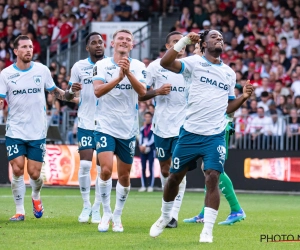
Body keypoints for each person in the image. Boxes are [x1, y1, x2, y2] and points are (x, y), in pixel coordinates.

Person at [149, 30, 254, 243]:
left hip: (214, 135)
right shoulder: (194, 63)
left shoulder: (228, 73)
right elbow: (166, 63)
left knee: (212, 177)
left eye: (222, 38)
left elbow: (228, 106)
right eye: (214, 37)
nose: (219, 40)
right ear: (204, 44)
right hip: (189, 133)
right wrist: (186, 41)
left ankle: (207, 230)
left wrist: (243, 98)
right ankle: (165, 215)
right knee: (173, 178)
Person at [0, 35, 81, 221]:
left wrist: (72, 96)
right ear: (16, 51)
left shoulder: (42, 70)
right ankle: (20, 210)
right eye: (24, 47)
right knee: (18, 169)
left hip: (37, 131)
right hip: (15, 130)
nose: (29, 50)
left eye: (30, 47)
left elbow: (55, 92)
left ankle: (36, 196)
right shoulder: (5, 74)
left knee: (35, 173)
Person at [183, 43, 246, 225]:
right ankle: (205, 212)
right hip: (202, 125)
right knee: (207, 169)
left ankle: (236, 209)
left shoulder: (220, 71)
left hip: (219, 126)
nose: (193, 52)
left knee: (213, 169)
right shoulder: (195, 69)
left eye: (195, 48)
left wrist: (228, 121)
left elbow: (229, 101)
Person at [92, 29, 146, 232]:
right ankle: (105, 213)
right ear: (112, 43)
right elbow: (97, 91)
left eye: (128, 40)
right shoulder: (102, 65)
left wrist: (129, 72)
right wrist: (118, 77)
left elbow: (142, 92)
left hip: (127, 128)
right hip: (105, 125)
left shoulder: (139, 66)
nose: (124, 42)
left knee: (124, 176)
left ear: (132, 45)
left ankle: (117, 215)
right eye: (120, 39)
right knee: (105, 169)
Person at [139, 31, 188, 228]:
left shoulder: (190, 67)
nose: (180, 45)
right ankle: (167, 209)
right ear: (168, 46)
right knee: (166, 169)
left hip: (184, 127)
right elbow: (141, 94)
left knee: (179, 170)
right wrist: (157, 91)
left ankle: (172, 215)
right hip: (161, 127)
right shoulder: (155, 66)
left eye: (182, 43)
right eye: (176, 42)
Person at [68, 32, 105, 224]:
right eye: (94, 42)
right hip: (85, 122)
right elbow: (68, 94)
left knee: (101, 169)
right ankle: (85, 205)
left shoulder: (110, 66)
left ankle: (97, 208)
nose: (98, 45)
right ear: (87, 47)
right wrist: (71, 90)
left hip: (106, 124)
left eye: (100, 42)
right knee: (84, 165)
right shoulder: (78, 67)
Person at [138, 112, 155, 192]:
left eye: (149, 117)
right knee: (143, 168)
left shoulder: (153, 128)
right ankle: (143, 185)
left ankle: (150, 186)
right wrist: (141, 145)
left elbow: (153, 139)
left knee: (151, 167)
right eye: (146, 117)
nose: (147, 118)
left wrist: (145, 145)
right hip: (143, 150)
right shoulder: (142, 129)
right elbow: (140, 138)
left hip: (151, 149)